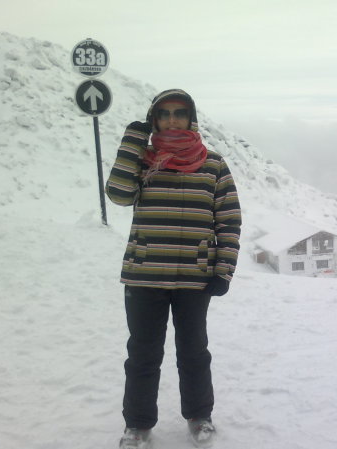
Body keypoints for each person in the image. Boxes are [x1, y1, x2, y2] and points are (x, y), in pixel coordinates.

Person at [105, 89, 241, 449]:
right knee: (143, 354)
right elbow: (118, 194)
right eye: (163, 114)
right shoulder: (142, 160)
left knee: (194, 352)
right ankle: (137, 426)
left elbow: (228, 220)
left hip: (194, 279)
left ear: (190, 117)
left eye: (179, 112)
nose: (172, 119)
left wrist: (223, 269)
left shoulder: (213, 165)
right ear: (154, 120)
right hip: (144, 275)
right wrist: (132, 144)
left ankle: (199, 416)